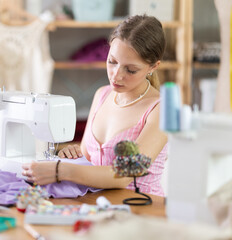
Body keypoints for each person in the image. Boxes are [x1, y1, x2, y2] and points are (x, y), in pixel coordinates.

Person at [22, 14, 168, 196]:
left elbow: (127, 173)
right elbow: (87, 158)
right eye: (112, 62)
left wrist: (61, 170)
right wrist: (73, 155)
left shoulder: (160, 109)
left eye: (130, 70)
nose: (116, 75)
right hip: (99, 205)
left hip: (142, 210)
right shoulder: (102, 94)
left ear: (153, 67)